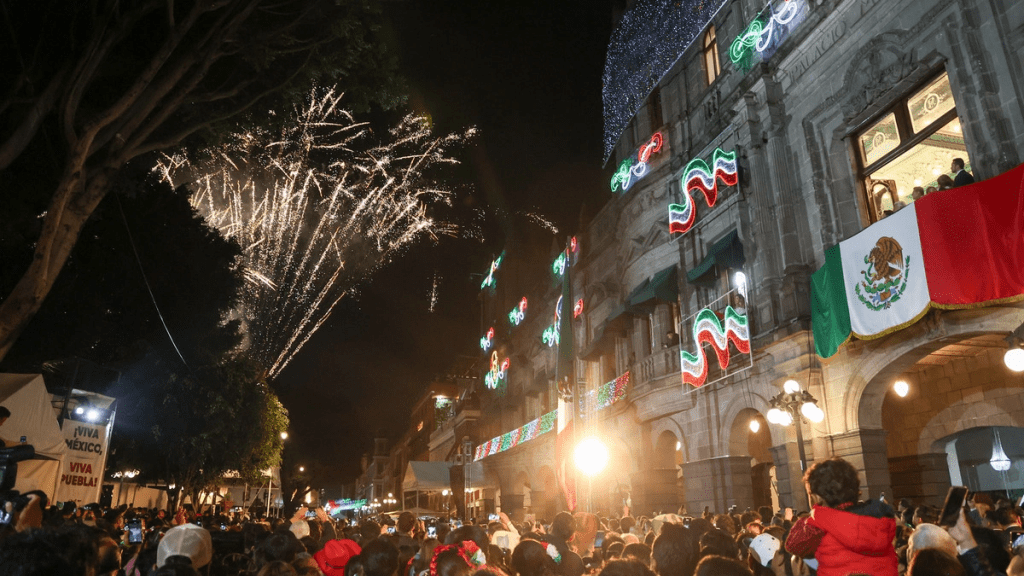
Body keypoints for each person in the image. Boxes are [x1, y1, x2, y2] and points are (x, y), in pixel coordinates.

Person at [784, 457, 898, 576]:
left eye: (809, 494)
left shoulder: (819, 525)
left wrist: (812, 514)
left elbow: (793, 544)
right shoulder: (878, 519)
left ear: (816, 498)